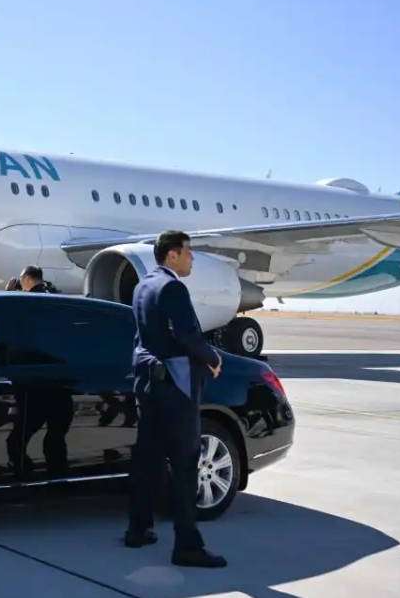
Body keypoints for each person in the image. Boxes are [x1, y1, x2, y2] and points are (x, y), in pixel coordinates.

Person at [125, 230, 227, 568]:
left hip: (147, 385)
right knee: (184, 467)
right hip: (174, 387)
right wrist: (213, 359)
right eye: (188, 252)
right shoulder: (172, 287)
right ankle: (187, 547)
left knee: (148, 461)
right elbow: (187, 335)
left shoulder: (143, 286)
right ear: (172, 255)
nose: (192, 258)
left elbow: (144, 337)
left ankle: (138, 529)